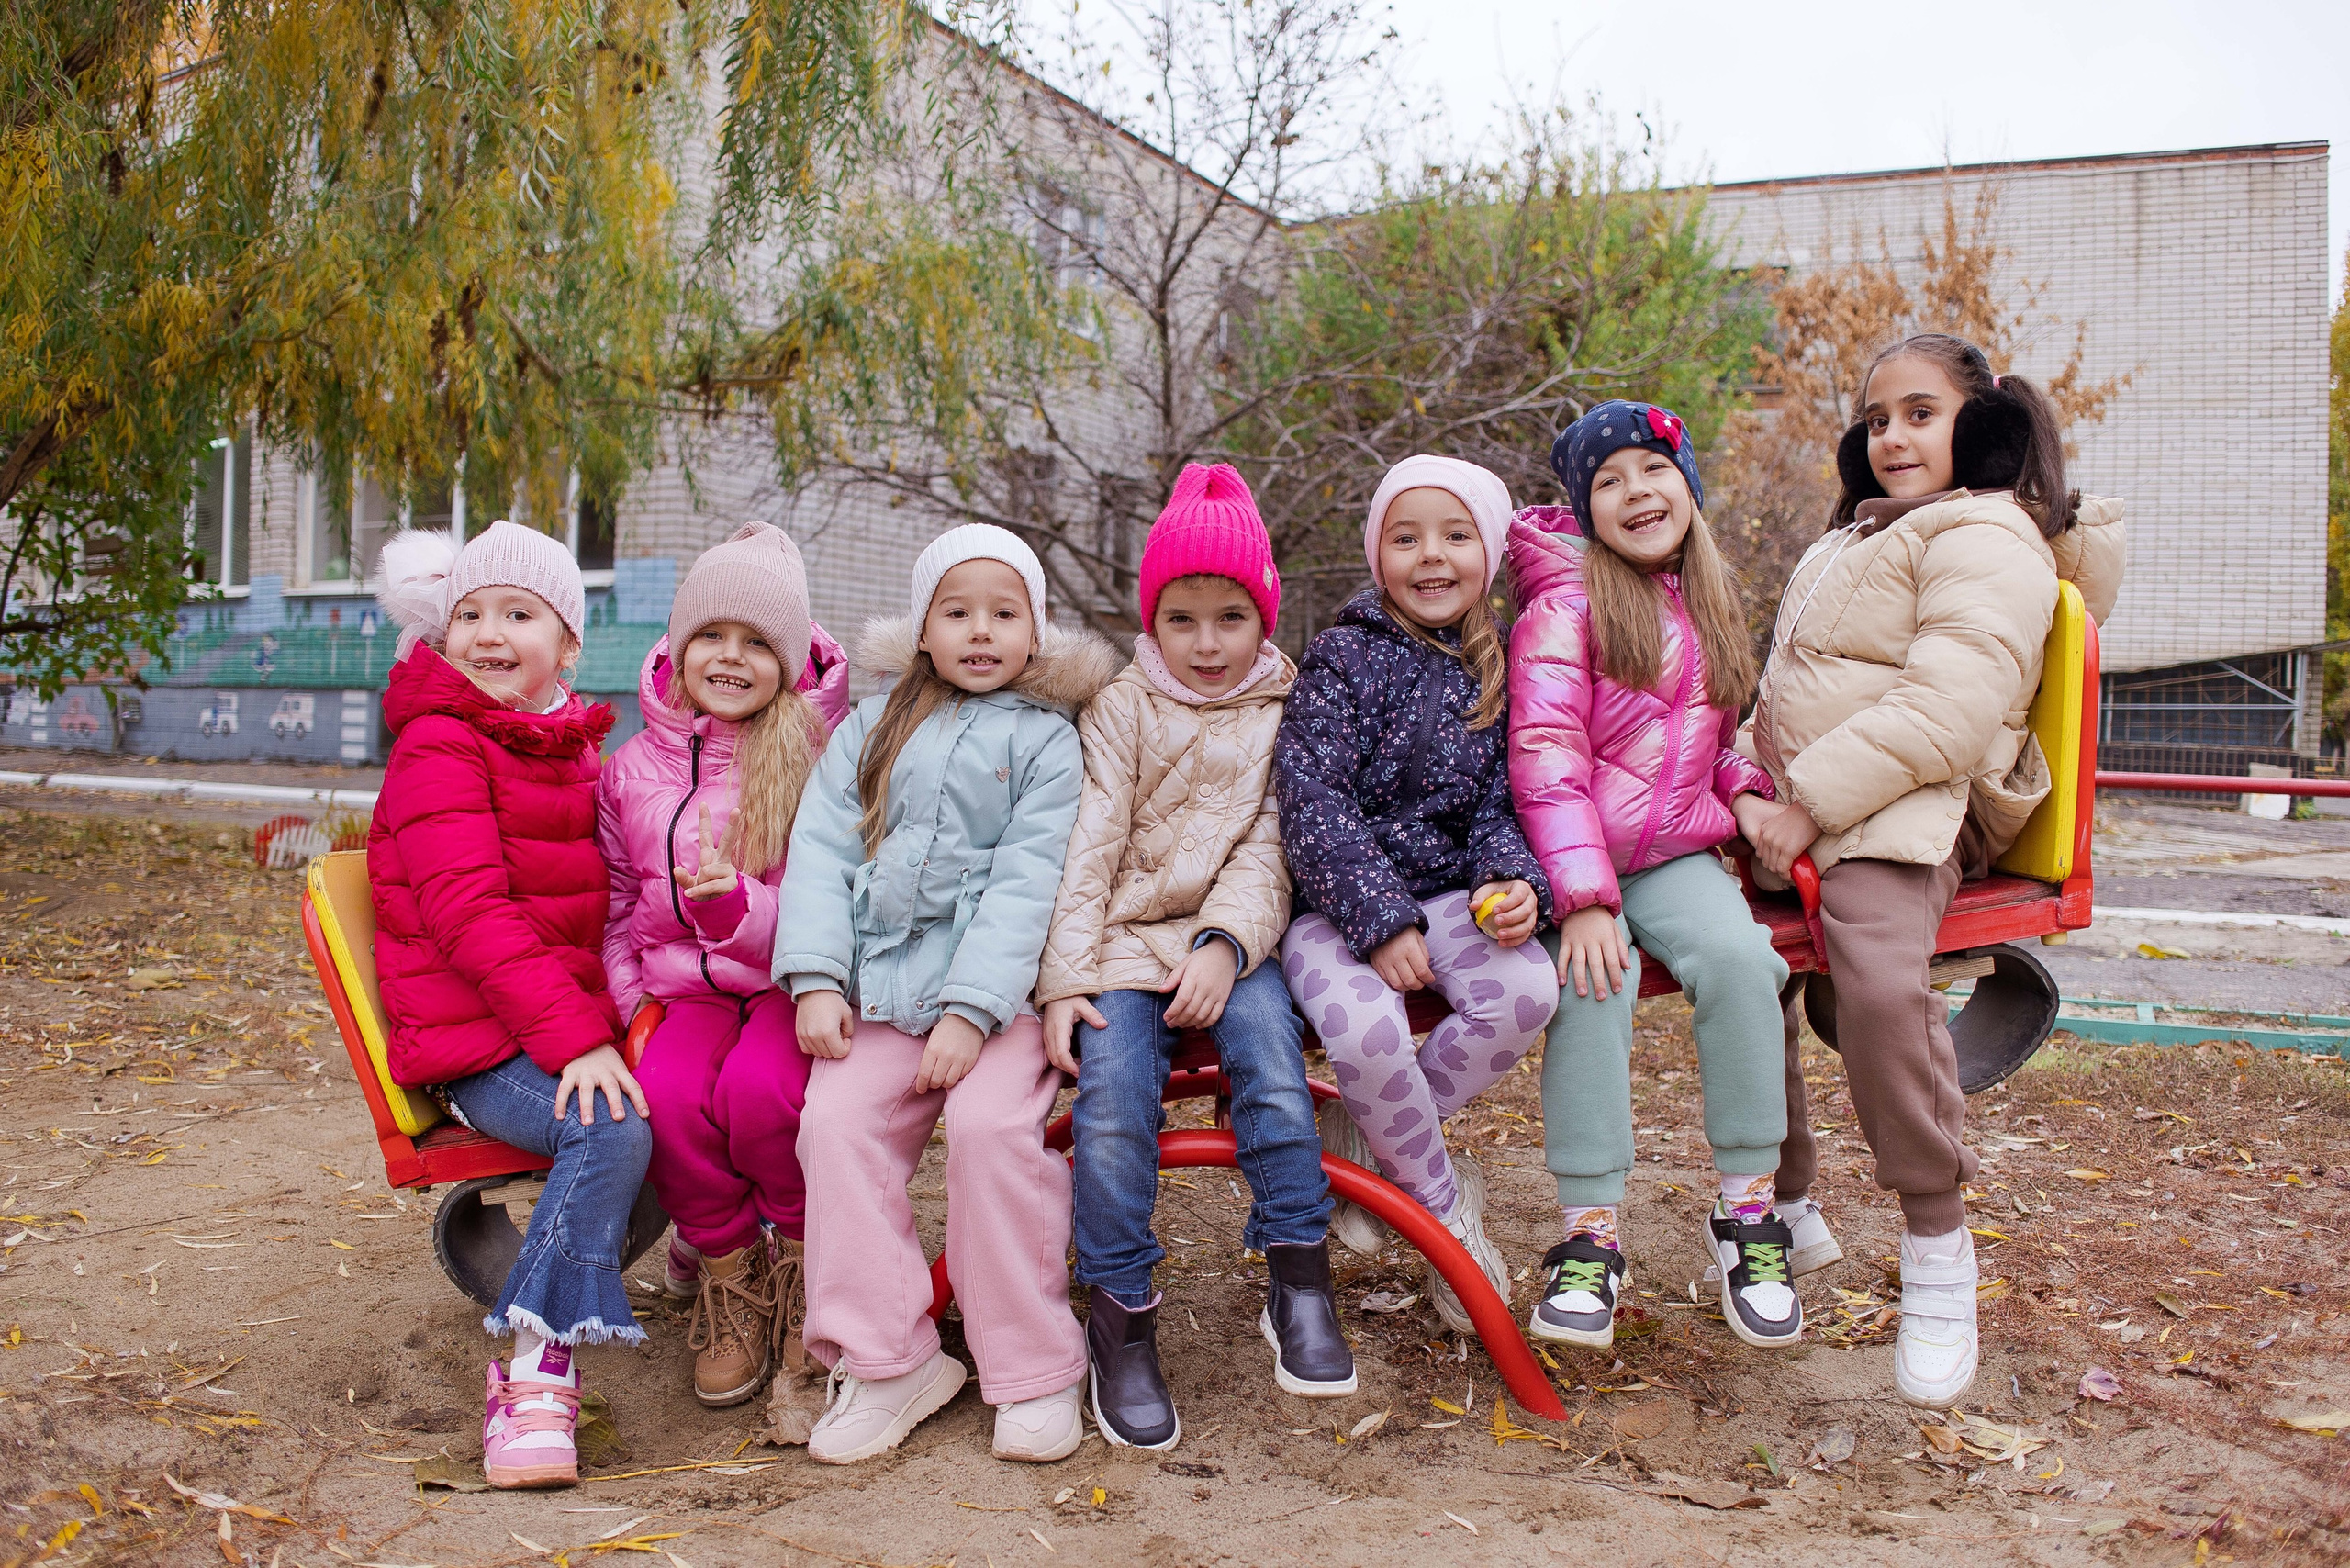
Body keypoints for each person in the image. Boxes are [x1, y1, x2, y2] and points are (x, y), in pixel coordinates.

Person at [1740, 333, 2125, 1406]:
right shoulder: (1847, 540)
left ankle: (1936, 1245)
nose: (1893, 435)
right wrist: (1738, 775)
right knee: (1727, 955)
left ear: (1984, 427)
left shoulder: (1988, 536)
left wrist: (1806, 801)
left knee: (1869, 967)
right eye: (1876, 420)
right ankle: (1784, 1201)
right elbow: (1779, 692)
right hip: (1804, 798)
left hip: (1917, 809)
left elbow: (1951, 713)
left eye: (1920, 411)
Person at [778, 525, 1119, 1464]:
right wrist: (815, 976)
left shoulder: (1050, 741)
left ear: (1033, 630)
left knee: (989, 1134)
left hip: (998, 1005)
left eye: (1002, 613)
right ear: (923, 629)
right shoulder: (872, 725)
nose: (979, 631)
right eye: (956, 612)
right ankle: (889, 1356)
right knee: (835, 1127)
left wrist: (972, 1012)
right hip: (882, 989)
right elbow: (821, 851)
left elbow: (1028, 882)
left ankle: (1034, 1364)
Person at [1039, 464, 1349, 1450]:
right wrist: (1066, 983)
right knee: (1115, 1101)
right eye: (1183, 619)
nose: (1208, 643)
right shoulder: (1122, 710)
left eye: (1230, 616)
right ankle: (1120, 1315)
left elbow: (1269, 843)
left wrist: (1222, 945)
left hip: (1232, 945)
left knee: (1270, 1065)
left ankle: (1298, 1277)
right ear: (1151, 622)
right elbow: (1086, 853)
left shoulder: (1285, 706)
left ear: (1263, 616)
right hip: (1123, 949)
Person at [1508, 400, 1799, 1353]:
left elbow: (1713, 739)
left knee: (1742, 961)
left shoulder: (1706, 601)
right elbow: (1546, 751)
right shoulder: (1564, 605)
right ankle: (1588, 1234)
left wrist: (1748, 795)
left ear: (1688, 487)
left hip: (1673, 855)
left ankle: (1749, 1212)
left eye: (1653, 470)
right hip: (1574, 857)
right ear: (1585, 510)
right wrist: (1585, 901)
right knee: (1594, 984)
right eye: (1608, 481)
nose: (1636, 491)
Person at [367, 520, 643, 1491]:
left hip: (528, 1022)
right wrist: (576, 1041)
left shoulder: (558, 742)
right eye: (469, 614)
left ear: (566, 645)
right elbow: (469, 912)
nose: (488, 631)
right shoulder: (442, 745)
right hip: (475, 1045)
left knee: (690, 1090)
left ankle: (637, 1265)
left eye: (517, 613)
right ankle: (533, 1377)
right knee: (610, 1129)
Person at [1274, 455, 1559, 1335]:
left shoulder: (1505, 666)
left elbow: (1507, 801)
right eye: (1407, 538)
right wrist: (1377, 919)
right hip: (1335, 909)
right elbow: (1309, 796)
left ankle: (1367, 1143)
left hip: (1451, 896)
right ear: (1378, 555)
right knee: (1366, 1029)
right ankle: (1442, 1210)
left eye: (1454, 535)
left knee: (1526, 990)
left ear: (1489, 550)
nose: (1431, 557)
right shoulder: (1343, 655)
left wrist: (1513, 883)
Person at [596, 523, 850, 1416]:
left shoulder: (821, 759)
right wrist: (633, 1002)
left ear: (789, 658)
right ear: (678, 644)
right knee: (662, 1096)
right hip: (680, 990)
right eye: (713, 635)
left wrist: (743, 908)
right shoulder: (631, 768)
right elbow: (620, 900)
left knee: (763, 1094)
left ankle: (808, 1264)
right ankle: (731, 1273)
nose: (731, 657)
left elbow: (842, 901)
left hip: (787, 983)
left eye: (757, 642)